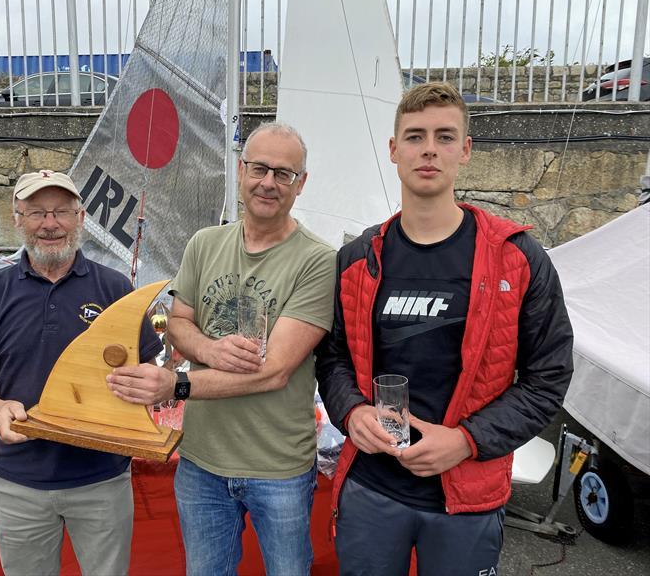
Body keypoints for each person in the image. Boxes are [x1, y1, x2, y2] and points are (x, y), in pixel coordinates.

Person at [316, 82, 574, 576]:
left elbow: (548, 379)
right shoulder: (357, 260)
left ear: (466, 150)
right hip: (372, 490)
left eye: (444, 136)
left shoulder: (518, 259)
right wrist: (351, 412)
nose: (429, 148)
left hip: (467, 496)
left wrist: (466, 440)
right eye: (414, 136)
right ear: (393, 150)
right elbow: (333, 359)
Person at [105, 123, 336, 576]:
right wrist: (211, 349)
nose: (268, 182)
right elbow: (177, 324)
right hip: (201, 462)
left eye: (283, 174)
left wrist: (177, 382)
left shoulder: (318, 260)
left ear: (301, 183)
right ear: (240, 169)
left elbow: (274, 372)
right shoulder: (204, 243)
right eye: (259, 168)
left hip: (279, 466)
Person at [0, 170, 162, 576]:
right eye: (37, 213)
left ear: (80, 217)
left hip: (102, 480)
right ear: (17, 219)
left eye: (62, 211)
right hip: (18, 483)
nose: (51, 224)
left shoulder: (115, 288)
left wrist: (148, 386)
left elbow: (148, 372)